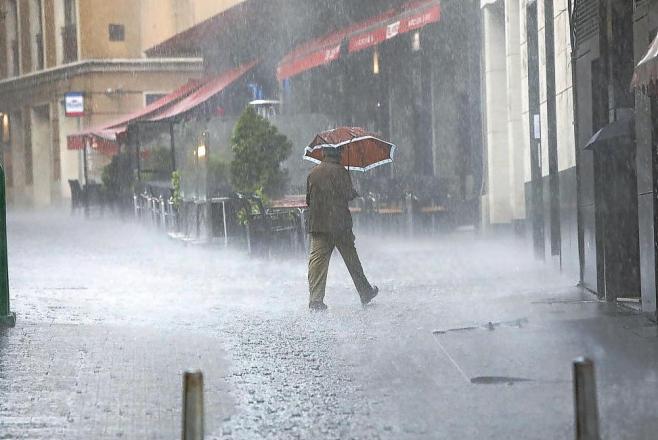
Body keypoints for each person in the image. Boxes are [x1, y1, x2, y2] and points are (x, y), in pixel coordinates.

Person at [305, 146, 378, 311]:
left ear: (323, 153)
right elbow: (347, 194)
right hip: (340, 225)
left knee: (317, 263)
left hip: (319, 224)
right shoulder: (341, 171)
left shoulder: (313, 173)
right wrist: (354, 192)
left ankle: (315, 300)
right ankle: (365, 291)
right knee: (352, 260)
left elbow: (308, 200)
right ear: (339, 154)